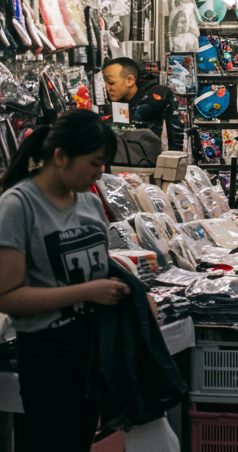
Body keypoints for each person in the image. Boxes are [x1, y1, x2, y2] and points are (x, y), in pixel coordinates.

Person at [0, 110, 125, 452]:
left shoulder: (89, 202)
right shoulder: (17, 206)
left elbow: (101, 265)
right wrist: (88, 292)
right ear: (60, 156)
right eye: (94, 163)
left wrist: (134, 291)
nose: (100, 172)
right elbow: (7, 296)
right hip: (48, 357)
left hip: (92, 352)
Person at [101, 57, 184, 150]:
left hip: (156, 156)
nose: (107, 88)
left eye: (111, 83)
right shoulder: (118, 101)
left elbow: (176, 137)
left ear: (130, 80)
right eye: (105, 83)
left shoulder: (156, 99)